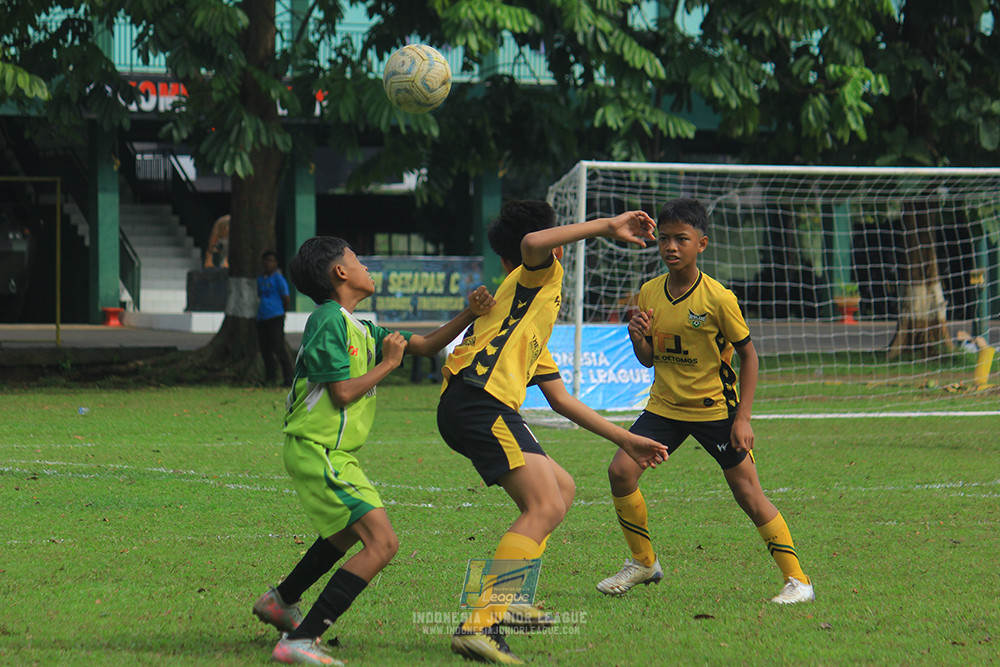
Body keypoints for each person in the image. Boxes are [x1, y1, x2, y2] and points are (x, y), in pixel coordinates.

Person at [437, 200, 670, 664]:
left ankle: (513, 597)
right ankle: (478, 622)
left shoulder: (525, 313)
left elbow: (562, 400)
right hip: (478, 402)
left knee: (561, 488)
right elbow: (532, 243)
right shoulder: (536, 275)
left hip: (479, 404)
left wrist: (625, 438)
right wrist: (606, 225)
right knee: (543, 504)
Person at [252, 236, 495, 666]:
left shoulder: (359, 326)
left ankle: (281, 601)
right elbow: (343, 393)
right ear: (340, 273)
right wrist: (387, 365)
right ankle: (301, 641)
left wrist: (470, 315)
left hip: (335, 453)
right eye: (357, 259)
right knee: (382, 544)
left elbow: (423, 344)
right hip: (317, 449)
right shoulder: (327, 320)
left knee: (347, 533)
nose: (365, 266)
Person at [595, 198, 814, 605]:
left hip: (715, 411)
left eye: (682, 239)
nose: (671, 247)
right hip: (664, 408)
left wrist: (743, 419)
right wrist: (636, 335)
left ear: (702, 244)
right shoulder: (648, 293)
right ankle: (643, 561)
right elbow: (649, 359)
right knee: (620, 472)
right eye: (664, 239)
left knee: (748, 494)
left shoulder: (718, 298)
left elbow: (749, 356)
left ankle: (797, 580)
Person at [257, 250, 294, 387]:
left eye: (271, 260)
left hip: (276, 316)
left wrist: (283, 312)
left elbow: (286, 297)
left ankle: (288, 378)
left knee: (279, 348)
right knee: (265, 349)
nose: (268, 263)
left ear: (276, 263)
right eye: (266, 260)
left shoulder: (278, 279)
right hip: (262, 317)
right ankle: (270, 378)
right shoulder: (260, 279)